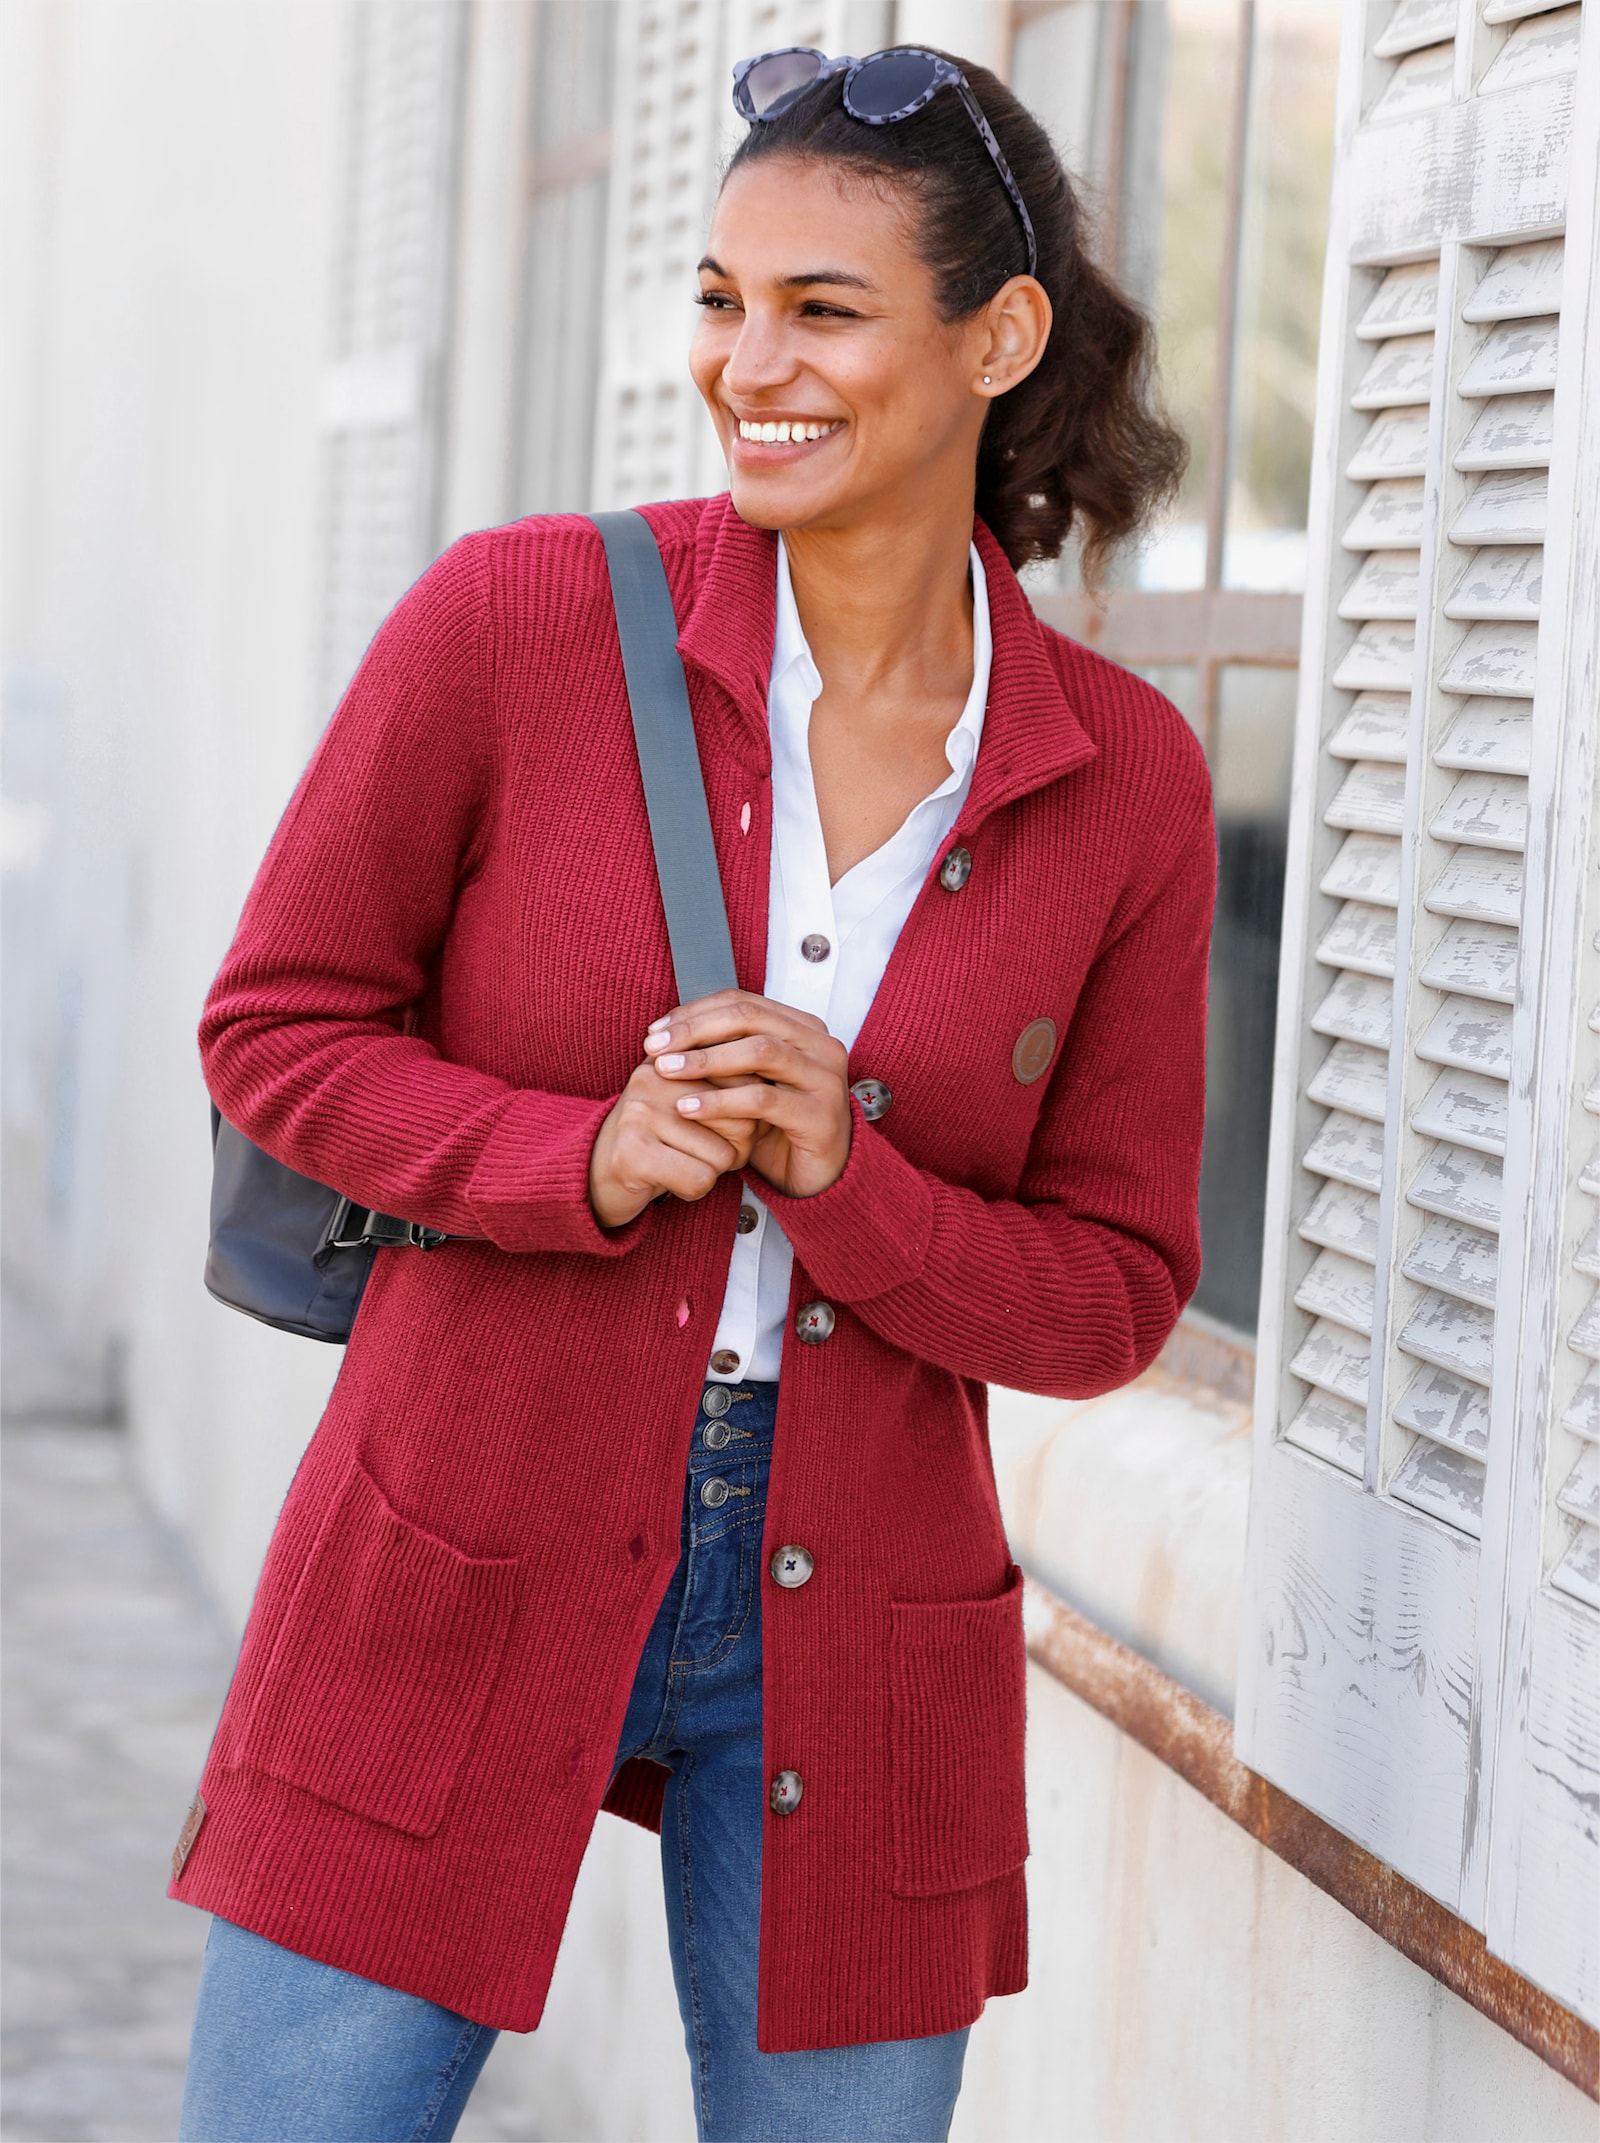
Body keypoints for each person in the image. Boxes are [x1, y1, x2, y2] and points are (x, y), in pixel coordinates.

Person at [175, 43, 1211, 2143]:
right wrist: (575, 1152)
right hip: (457, 1524)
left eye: (823, 309)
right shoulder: (520, 620)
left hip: (868, 1607)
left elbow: (1110, 1292)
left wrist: (852, 1178)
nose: (750, 366)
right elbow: (276, 1026)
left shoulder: (1123, 781)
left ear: (999, 338)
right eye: (723, 300)